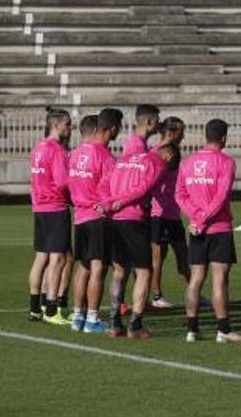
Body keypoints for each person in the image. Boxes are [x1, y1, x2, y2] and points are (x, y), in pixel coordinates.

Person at [177, 118, 241, 343]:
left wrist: (195, 218)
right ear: (224, 138)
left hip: (197, 229)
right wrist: (203, 218)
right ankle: (223, 330)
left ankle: (191, 330)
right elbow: (221, 196)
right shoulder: (226, 162)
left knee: (195, 280)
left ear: (205, 136)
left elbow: (180, 195)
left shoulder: (188, 162)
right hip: (218, 227)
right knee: (219, 280)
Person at [106, 144, 173, 338]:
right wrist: (123, 201)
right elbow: (143, 188)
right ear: (168, 156)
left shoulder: (123, 159)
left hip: (114, 219)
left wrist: (108, 202)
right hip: (134, 219)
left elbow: (104, 182)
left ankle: (114, 323)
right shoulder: (157, 163)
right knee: (144, 272)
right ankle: (135, 325)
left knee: (119, 271)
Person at [67, 114, 117, 334]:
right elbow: (112, 189)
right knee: (99, 267)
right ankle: (92, 319)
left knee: (84, 267)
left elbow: (68, 184)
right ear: (109, 129)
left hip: (79, 216)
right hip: (97, 217)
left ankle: (78, 317)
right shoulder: (105, 156)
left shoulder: (75, 153)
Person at [28, 108, 73, 325]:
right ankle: (52, 308)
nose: (70, 128)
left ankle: (36, 308)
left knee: (41, 258)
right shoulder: (57, 150)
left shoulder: (38, 148)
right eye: (68, 124)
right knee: (59, 258)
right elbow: (63, 182)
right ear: (56, 125)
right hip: (55, 207)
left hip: (39, 208)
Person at [149, 117, 187, 309]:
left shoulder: (174, 152)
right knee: (158, 257)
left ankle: (193, 293)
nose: (183, 136)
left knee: (183, 254)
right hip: (158, 213)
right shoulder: (157, 153)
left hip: (173, 214)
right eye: (181, 131)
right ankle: (157, 296)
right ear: (171, 133)